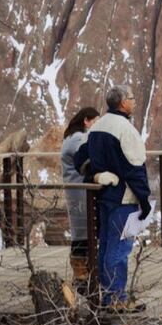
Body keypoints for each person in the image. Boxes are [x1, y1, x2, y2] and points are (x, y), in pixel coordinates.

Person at [83, 84, 152, 311]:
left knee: (105, 246)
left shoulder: (97, 127)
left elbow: (81, 159)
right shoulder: (125, 128)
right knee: (119, 249)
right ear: (123, 103)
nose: (134, 102)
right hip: (124, 197)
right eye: (131, 98)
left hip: (104, 195)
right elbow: (135, 168)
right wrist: (143, 200)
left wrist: (97, 175)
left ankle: (105, 297)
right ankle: (116, 300)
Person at [60, 106, 100, 292]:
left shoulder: (71, 137)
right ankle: (81, 275)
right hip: (80, 190)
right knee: (83, 232)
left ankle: (83, 274)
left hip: (76, 190)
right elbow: (89, 158)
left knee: (81, 231)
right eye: (95, 121)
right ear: (86, 120)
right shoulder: (77, 139)